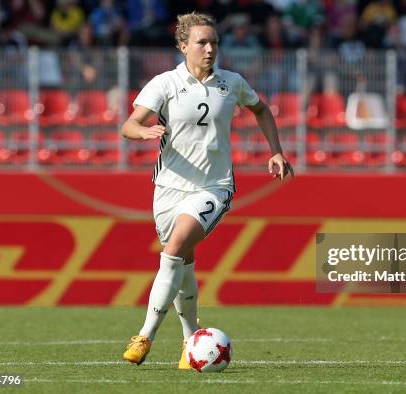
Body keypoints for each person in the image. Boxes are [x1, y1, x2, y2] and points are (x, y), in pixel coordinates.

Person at [121, 12, 293, 368]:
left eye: (214, 42)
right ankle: (189, 342)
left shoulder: (231, 82)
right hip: (168, 188)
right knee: (182, 263)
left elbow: (261, 110)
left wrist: (275, 150)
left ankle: (145, 335)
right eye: (201, 42)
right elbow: (130, 124)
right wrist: (144, 132)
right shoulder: (165, 83)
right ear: (183, 46)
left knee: (174, 248)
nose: (210, 48)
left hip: (213, 187)